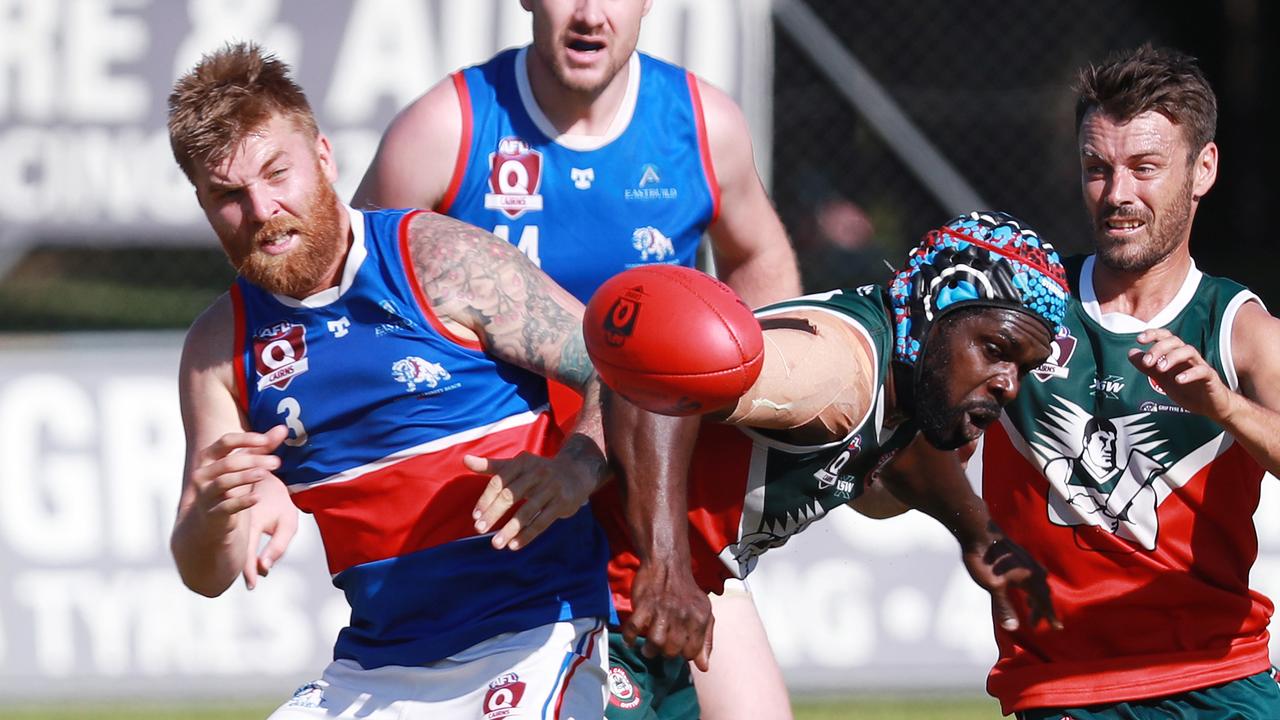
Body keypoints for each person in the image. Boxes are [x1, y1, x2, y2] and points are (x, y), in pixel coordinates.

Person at [352, 1, 802, 717]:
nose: (590, 14)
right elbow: (359, 307)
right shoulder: (446, 131)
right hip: (509, 516)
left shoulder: (701, 125)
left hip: (655, 502)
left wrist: (747, 406)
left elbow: (760, 262)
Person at [167, 42, 619, 719]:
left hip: (533, 638)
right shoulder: (218, 346)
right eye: (228, 196)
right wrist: (215, 513)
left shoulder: (433, 258)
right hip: (376, 669)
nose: (261, 210)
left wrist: (574, 471)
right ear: (203, 204)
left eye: (276, 173)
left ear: (322, 156)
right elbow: (205, 573)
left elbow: (618, 371)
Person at [602, 210, 1071, 718]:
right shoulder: (833, 371)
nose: (1009, 383)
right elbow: (656, 361)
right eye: (994, 349)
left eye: (1022, 366)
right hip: (582, 583)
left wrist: (981, 535)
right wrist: (666, 566)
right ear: (935, 311)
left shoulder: (904, 380)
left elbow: (901, 451)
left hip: (644, 607)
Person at [970, 45, 1280, 719]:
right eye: (1096, 169)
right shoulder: (1021, 315)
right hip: (1060, 692)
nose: (1117, 195)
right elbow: (895, 492)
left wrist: (1221, 405)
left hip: (1218, 680)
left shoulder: (1238, 329)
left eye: (1145, 168)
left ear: (1203, 170)